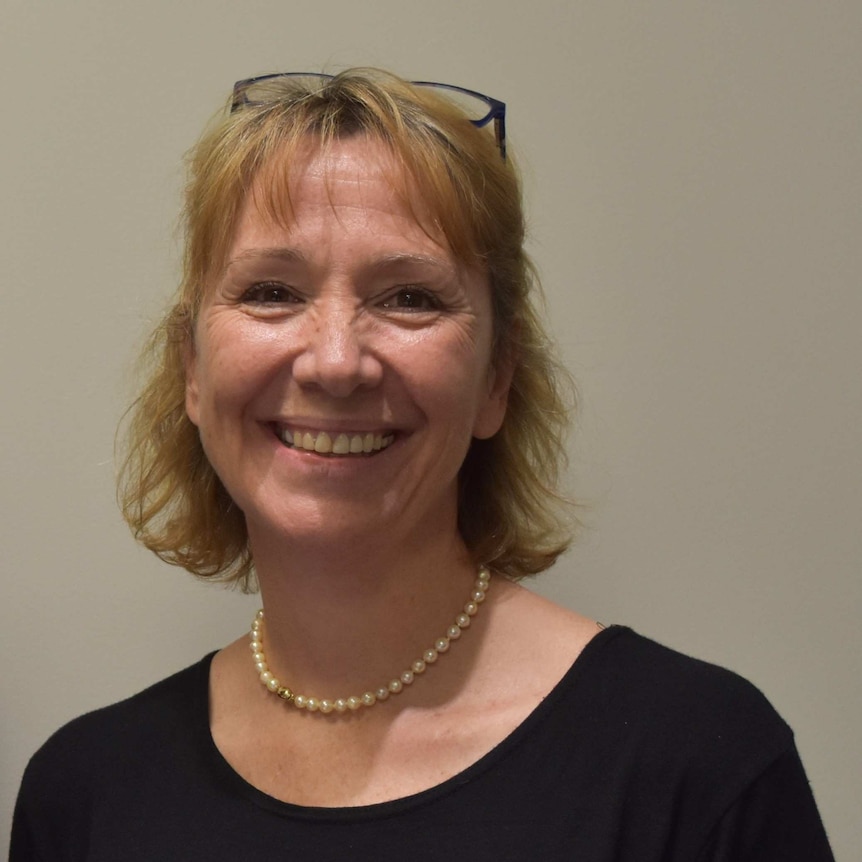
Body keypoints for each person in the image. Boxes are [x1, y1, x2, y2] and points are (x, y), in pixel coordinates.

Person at [10, 69, 834, 861]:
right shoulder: (84, 794)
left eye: (409, 297)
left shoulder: (699, 768)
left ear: (497, 379)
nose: (335, 361)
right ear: (191, 368)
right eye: (271, 291)